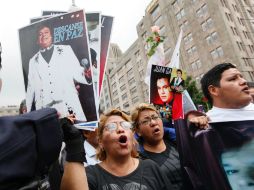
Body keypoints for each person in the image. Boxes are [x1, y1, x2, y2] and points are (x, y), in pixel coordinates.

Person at [85, 109, 173, 190]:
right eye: (111, 127)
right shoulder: (89, 175)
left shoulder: (151, 167)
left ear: (132, 136)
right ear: (101, 141)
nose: (120, 129)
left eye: (125, 125)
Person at [26, 25, 92, 121]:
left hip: (68, 104)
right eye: (40, 34)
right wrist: (27, 114)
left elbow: (76, 71)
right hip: (46, 111)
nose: (43, 35)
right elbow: (30, 87)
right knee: (52, 135)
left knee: (76, 134)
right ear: (37, 40)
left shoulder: (66, 50)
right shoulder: (32, 61)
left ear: (51, 36)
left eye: (46, 32)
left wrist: (86, 75)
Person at [131, 103, 189, 190]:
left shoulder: (180, 142)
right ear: (138, 131)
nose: (153, 123)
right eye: (146, 121)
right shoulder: (138, 161)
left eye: (155, 117)